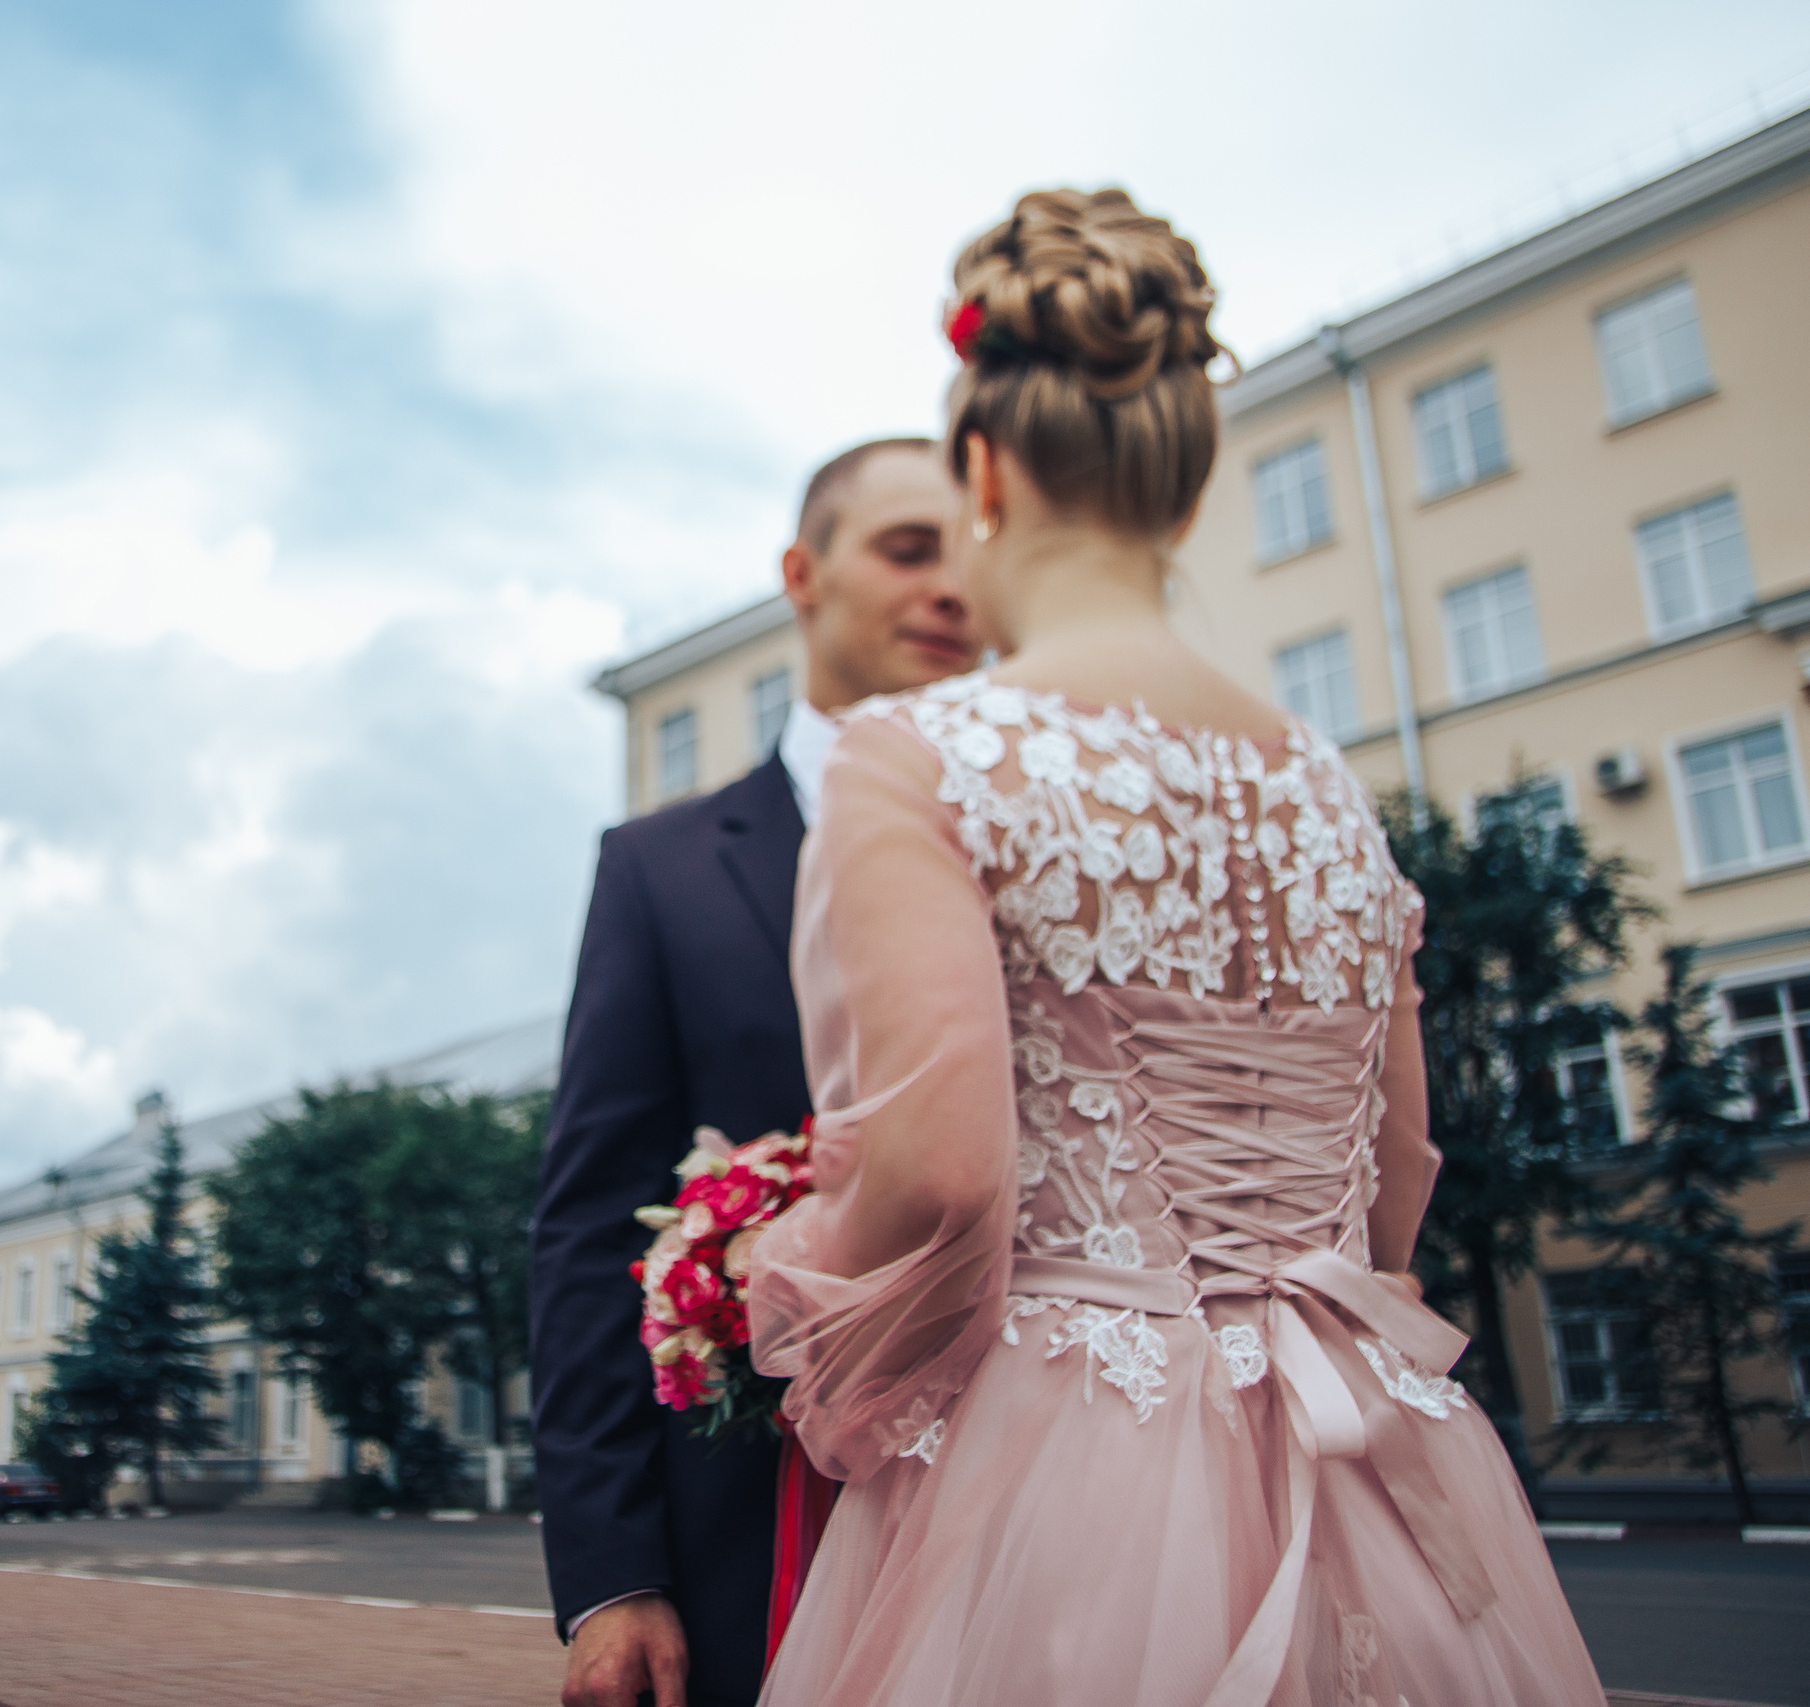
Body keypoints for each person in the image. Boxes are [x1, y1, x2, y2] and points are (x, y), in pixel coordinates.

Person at [745, 188, 1606, 1707]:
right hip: (1365, 1439)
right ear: (1190, 488)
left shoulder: (921, 755)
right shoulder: (1329, 785)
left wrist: (782, 1273)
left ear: (982, 469)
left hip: (1068, 1460)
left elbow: (941, 1176)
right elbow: (1397, 1181)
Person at [534, 438, 979, 1707]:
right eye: (906, 550)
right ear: (802, 573)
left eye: (969, 556)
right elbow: (588, 1228)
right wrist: (613, 1575)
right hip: (744, 1529)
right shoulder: (659, 868)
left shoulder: (1036, 850)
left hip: (1018, 1494)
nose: (950, 590)